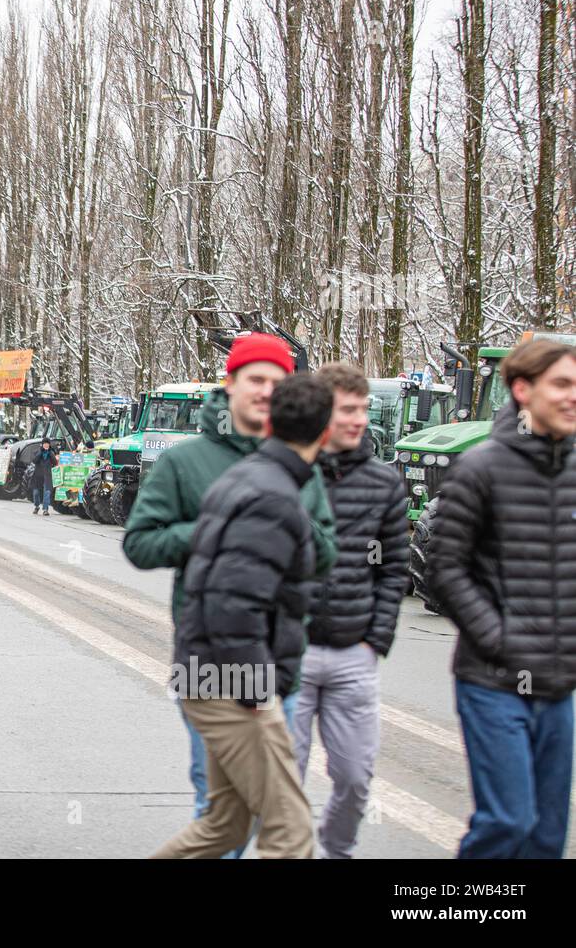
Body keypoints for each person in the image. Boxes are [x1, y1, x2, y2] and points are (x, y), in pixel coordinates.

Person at [123, 332, 336, 854]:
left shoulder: (293, 461)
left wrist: (282, 527)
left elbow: (327, 551)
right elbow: (140, 543)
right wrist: (221, 531)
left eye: (276, 382)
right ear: (230, 384)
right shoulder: (185, 460)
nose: (265, 391)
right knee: (231, 811)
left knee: (234, 821)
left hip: (278, 658)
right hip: (219, 660)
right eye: (255, 379)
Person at [429, 338, 576, 859]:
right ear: (522, 390)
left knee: (546, 837)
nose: (572, 397)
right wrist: (498, 637)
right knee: (508, 822)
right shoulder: (481, 468)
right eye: (561, 384)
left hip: (561, 688)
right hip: (494, 682)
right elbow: (445, 567)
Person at [292, 363, 409, 858]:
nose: (358, 419)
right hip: (289, 655)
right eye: (347, 410)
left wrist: (374, 641)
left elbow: (395, 570)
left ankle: (337, 851)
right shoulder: (286, 475)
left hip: (352, 654)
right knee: (282, 779)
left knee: (356, 776)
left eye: (363, 409)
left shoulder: (385, 484)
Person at [31, 438, 54, 516]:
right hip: (38, 475)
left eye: (47, 443)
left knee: (47, 492)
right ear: (42, 444)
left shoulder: (51, 452)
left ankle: (45, 509)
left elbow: (55, 462)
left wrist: (51, 454)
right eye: (45, 443)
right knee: (36, 493)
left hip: (47, 475)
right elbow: (34, 461)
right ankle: (37, 506)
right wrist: (40, 452)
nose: (46, 445)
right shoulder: (38, 451)